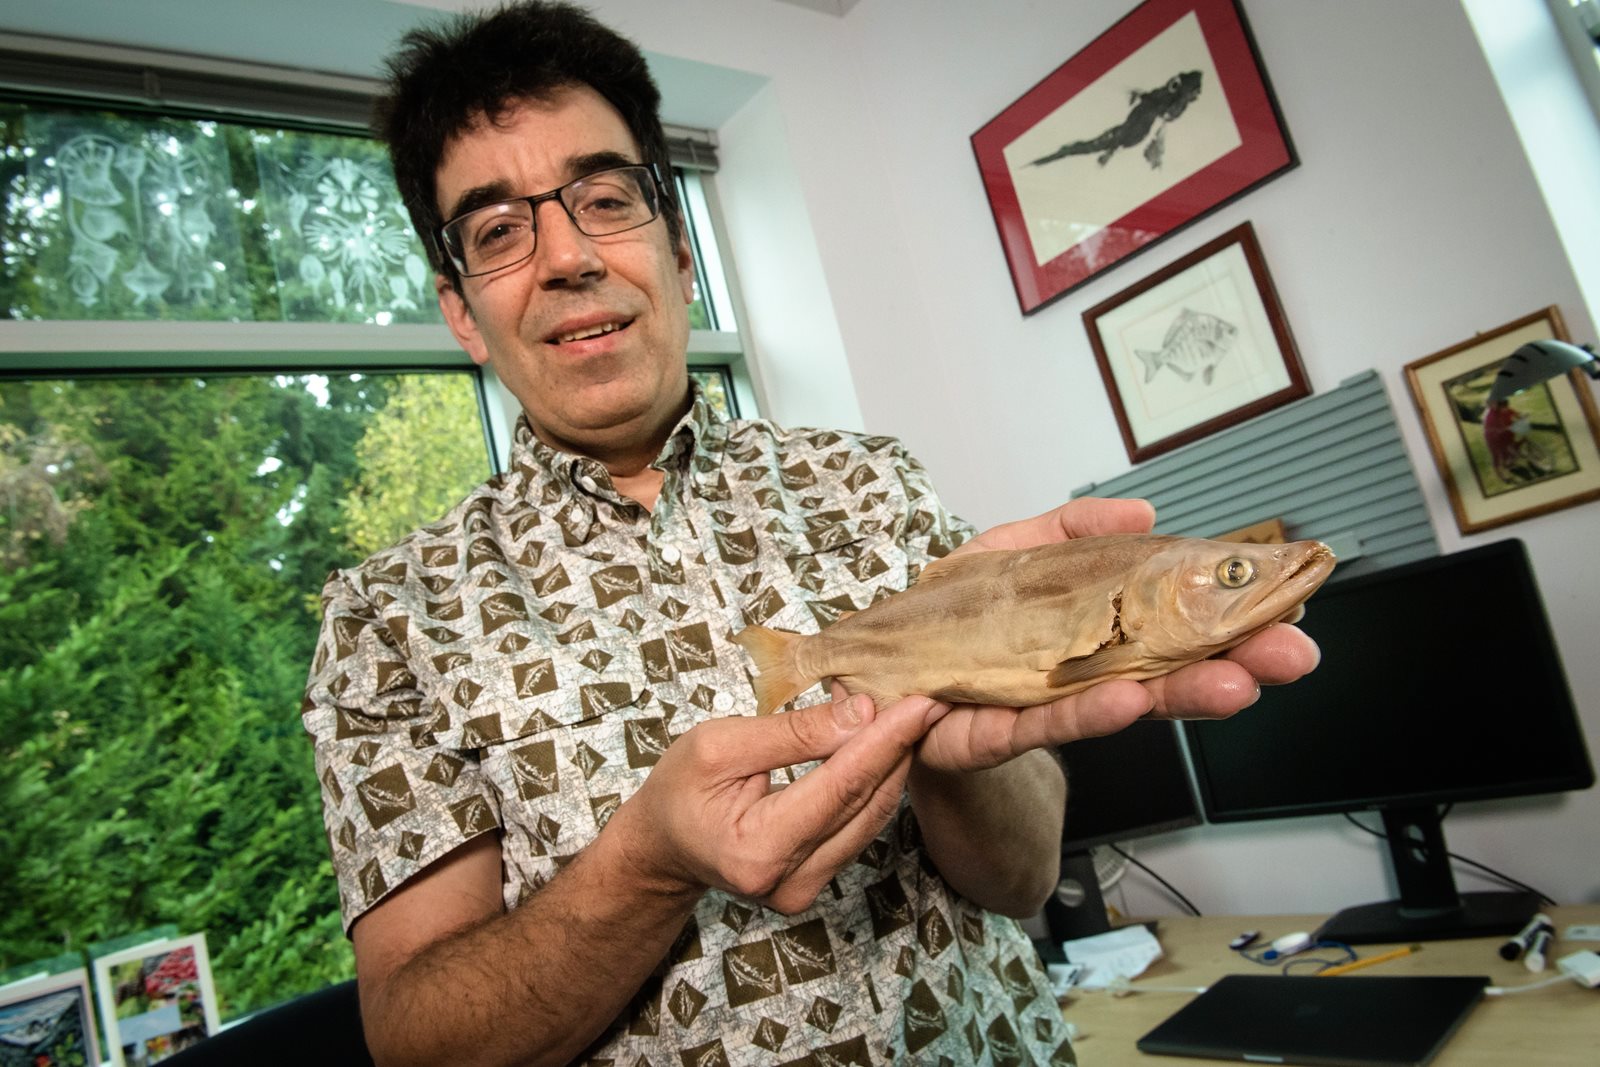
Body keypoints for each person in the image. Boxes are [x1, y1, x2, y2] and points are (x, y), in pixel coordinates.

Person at [300, 4, 1320, 1065]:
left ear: (678, 250)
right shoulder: (386, 619)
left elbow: (1022, 879)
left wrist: (952, 756)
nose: (565, 254)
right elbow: (416, 1043)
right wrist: (648, 860)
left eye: (603, 197)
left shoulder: (874, 480)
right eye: (500, 230)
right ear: (460, 310)